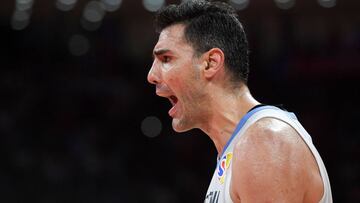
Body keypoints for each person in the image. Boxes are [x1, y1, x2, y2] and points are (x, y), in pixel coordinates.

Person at [147, 0, 332, 202]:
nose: (151, 75)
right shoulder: (239, 149)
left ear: (210, 63)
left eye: (166, 59)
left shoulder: (264, 142)